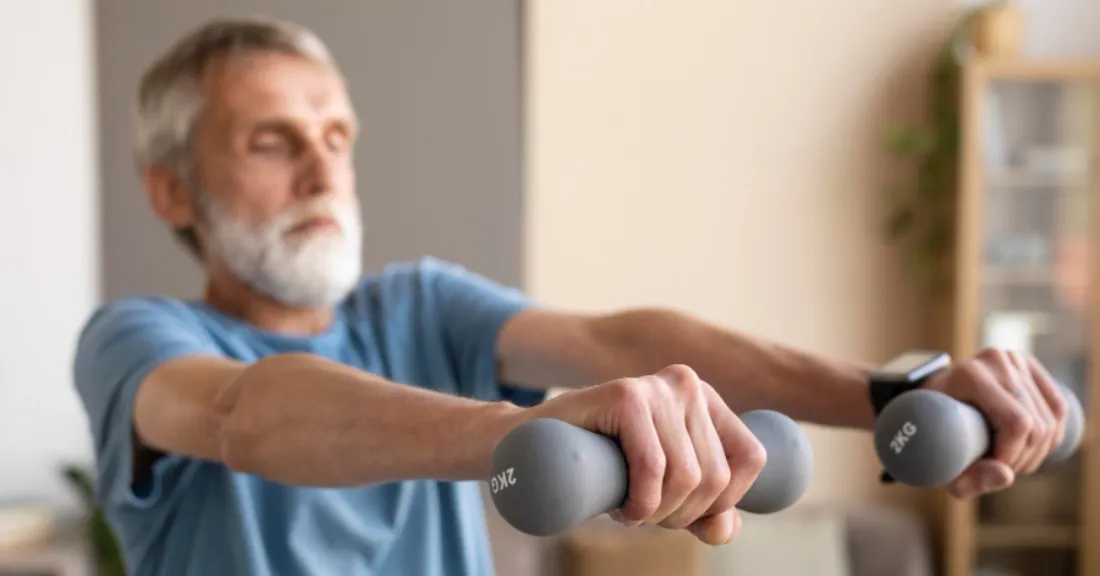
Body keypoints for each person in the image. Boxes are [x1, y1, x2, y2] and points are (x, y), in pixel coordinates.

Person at [73, 16, 1071, 576]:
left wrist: (889, 398)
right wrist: (524, 431)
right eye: (270, 141)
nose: (322, 173)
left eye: (336, 139)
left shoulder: (415, 308)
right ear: (172, 188)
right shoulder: (135, 337)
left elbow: (611, 340)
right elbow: (244, 412)